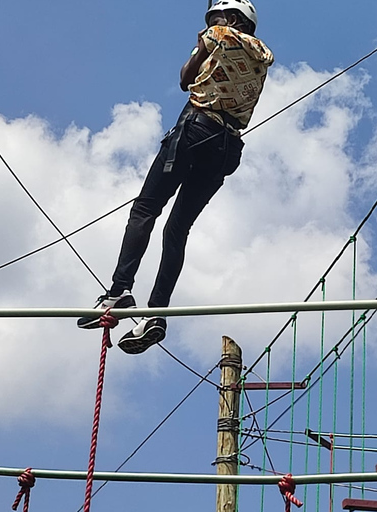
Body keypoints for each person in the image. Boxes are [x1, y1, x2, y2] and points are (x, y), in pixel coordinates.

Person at [78, 0, 274, 354]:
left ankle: (119, 291)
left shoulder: (217, 35)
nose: (209, 25)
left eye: (215, 18)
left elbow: (185, 79)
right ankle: (157, 314)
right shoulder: (261, 56)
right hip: (226, 149)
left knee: (145, 210)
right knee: (177, 229)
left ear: (232, 20)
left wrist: (202, 45)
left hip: (195, 132)